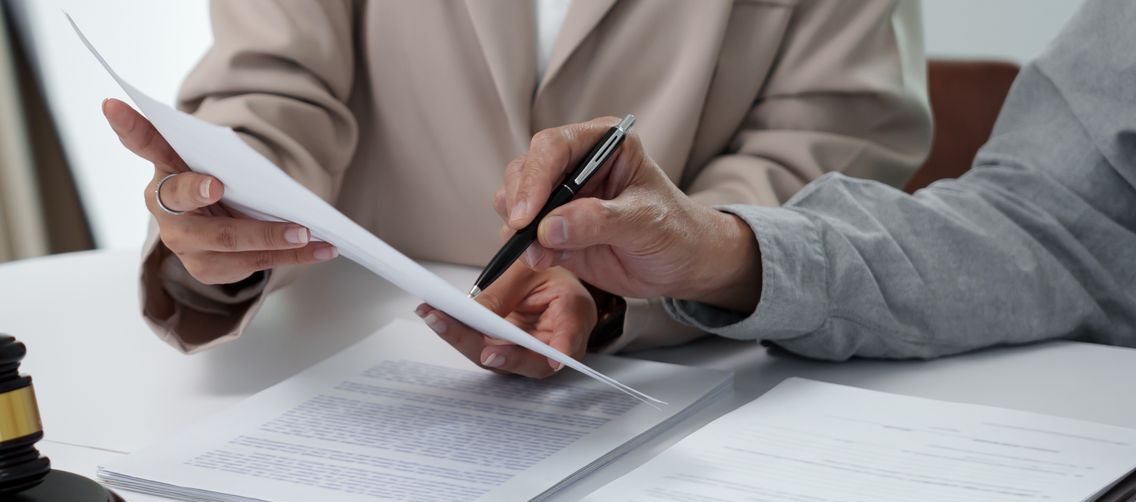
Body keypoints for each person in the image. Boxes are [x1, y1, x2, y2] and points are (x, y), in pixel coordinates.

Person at [105, 0, 933, 378]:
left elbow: (828, 139)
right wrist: (227, 208)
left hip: (680, 375)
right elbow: (274, 82)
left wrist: (620, 286)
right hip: (344, 357)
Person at [431, 0, 1135, 361]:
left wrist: (632, 283)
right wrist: (716, 250)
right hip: (362, 334)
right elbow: (1055, 223)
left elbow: (831, 133)